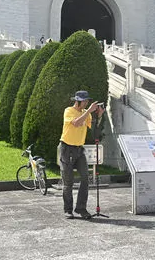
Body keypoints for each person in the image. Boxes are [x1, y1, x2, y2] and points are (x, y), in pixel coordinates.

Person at [59, 90, 105, 220]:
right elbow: (76, 123)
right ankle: (68, 210)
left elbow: (95, 130)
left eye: (87, 101)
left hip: (79, 150)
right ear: (77, 101)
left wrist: (99, 116)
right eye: (84, 101)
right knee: (68, 182)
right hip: (67, 148)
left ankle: (80, 208)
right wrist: (89, 111)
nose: (86, 103)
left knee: (85, 178)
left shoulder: (87, 113)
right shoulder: (68, 111)